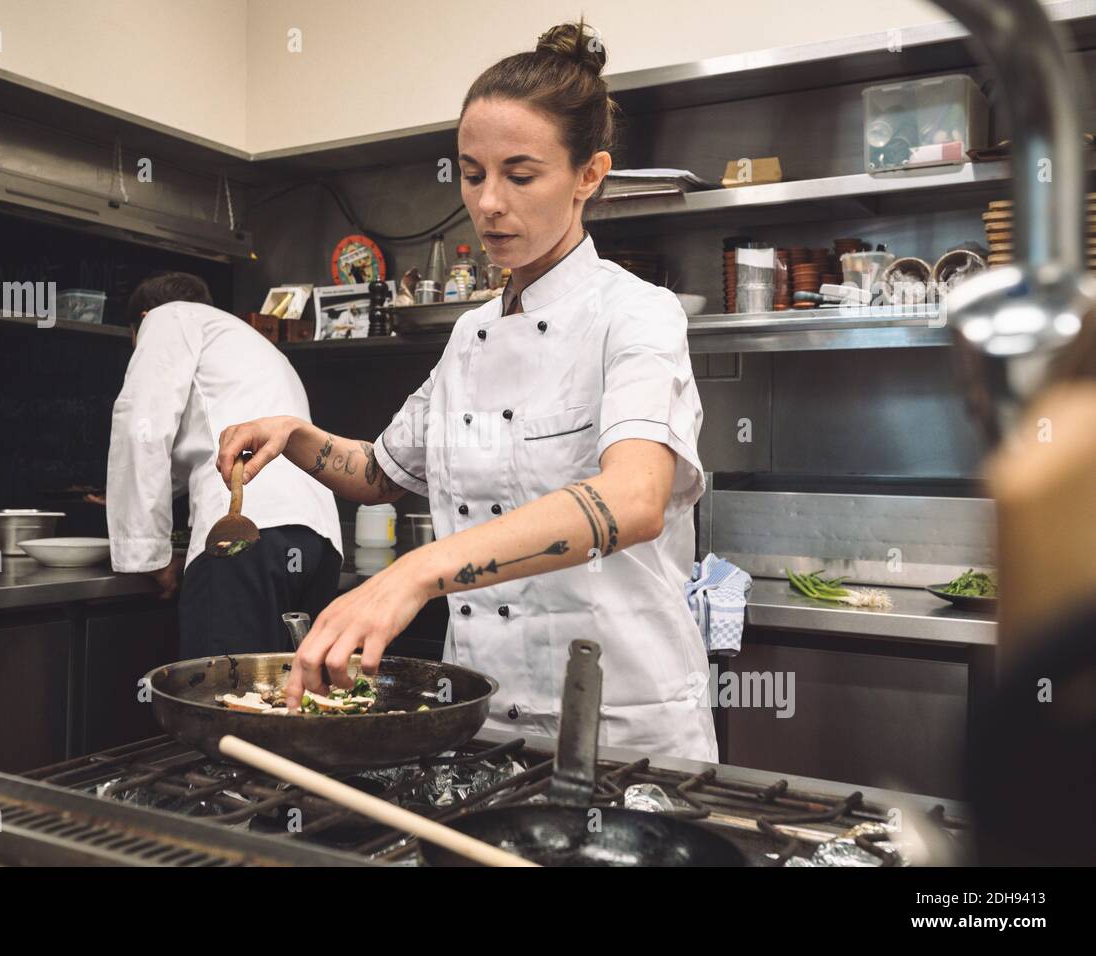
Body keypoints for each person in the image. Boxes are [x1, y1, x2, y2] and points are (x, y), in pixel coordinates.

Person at [216, 21, 717, 761]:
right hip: (482, 723)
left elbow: (634, 500)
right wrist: (296, 436)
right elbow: (383, 473)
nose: (486, 203)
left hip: (619, 728)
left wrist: (418, 572)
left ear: (589, 174)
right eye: (472, 173)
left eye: (520, 175)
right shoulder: (469, 336)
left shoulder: (635, 314)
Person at [106, 272, 343, 658]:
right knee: (292, 703)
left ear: (143, 319)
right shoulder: (250, 344)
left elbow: (142, 430)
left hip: (243, 539)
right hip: (318, 541)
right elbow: (204, 443)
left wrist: (149, 557)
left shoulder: (166, 319)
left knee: (222, 702)